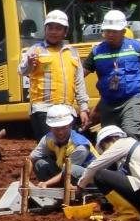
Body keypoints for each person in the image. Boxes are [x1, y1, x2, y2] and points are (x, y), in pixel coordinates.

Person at [19, 9, 89, 138]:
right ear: (45, 30)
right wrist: (29, 63)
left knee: (68, 149)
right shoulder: (36, 50)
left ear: (65, 32)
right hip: (43, 110)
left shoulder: (72, 53)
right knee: (49, 149)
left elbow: (79, 82)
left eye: (58, 28)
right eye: (50, 28)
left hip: (67, 110)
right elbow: (22, 71)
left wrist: (83, 108)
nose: (53, 32)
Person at [83, 9, 140, 140]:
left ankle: (136, 159)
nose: (110, 34)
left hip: (132, 99)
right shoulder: (97, 52)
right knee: (110, 139)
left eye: (114, 31)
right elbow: (80, 75)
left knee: (131, 132)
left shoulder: (137, 48)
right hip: (108, 103)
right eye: (107, 31)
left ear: (123, 31)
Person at [28, 104, 95, 189]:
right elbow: (30, 159)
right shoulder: (48, 139)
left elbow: (68, 171)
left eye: (64, 128)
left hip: (89, 179)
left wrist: (46, 183)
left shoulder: (80, 146)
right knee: (40, 164)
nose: (60, 132)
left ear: (70, 125)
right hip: (65, 173)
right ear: (50, 127)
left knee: (72, 170)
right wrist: (24, 181)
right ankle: (56, 192)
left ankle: (74, 193)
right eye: (56, 128)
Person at [78, 125, 140, 211]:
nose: (105, 151)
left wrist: (80, 186)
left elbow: (93, 167)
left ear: (112, 139)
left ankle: (128, 212)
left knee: (100, 175)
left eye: (103, 147)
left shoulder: (123, 143)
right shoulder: (132, 145)